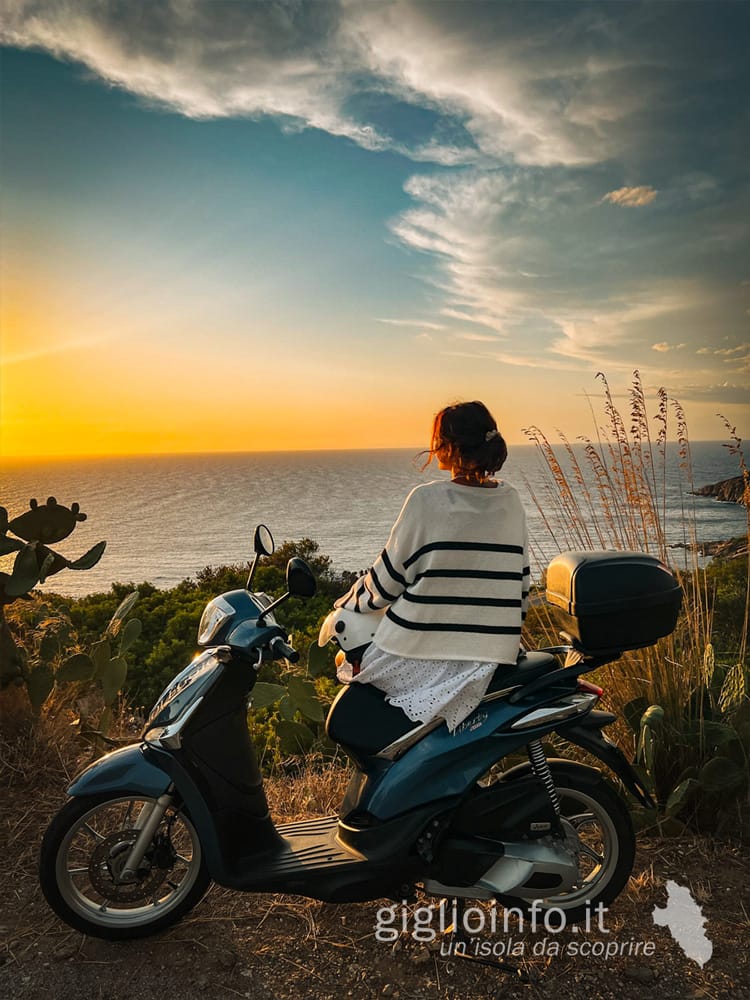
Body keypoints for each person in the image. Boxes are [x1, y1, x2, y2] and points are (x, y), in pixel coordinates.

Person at [333, 400, 529, 732]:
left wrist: (348, 602)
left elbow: (385, 584)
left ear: (451, 447)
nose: (432, 446)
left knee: (349, 719)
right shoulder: (511, 501)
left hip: (420, 656)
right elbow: (521, 586)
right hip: (491, 662)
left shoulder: (427, 500)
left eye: (437, 438)